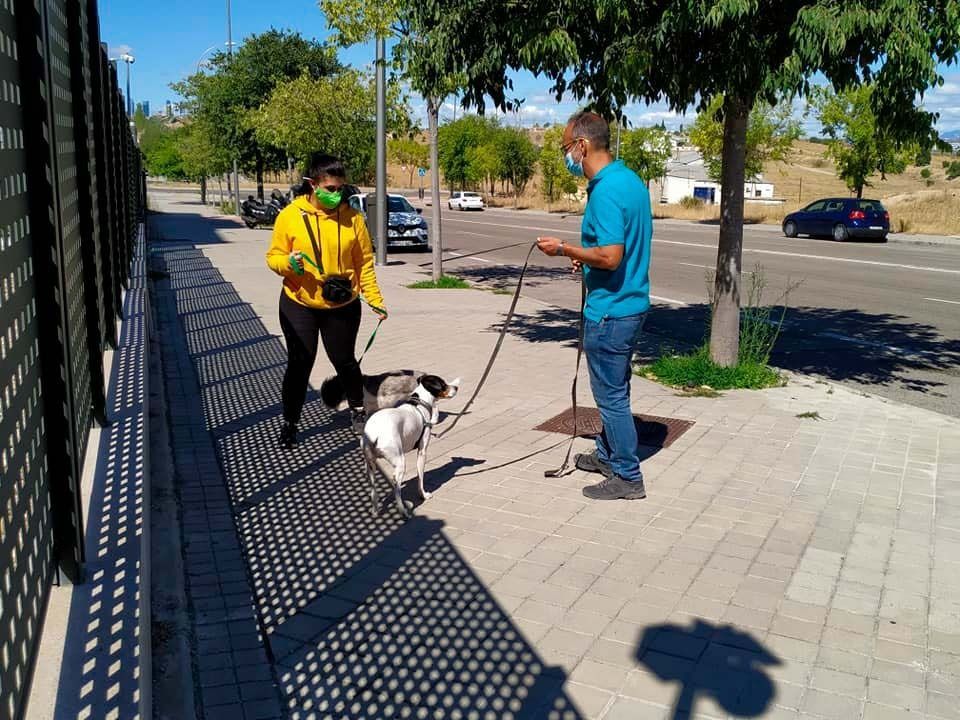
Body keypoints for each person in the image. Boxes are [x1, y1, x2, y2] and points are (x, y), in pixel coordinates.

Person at [536, 111, 652, 500]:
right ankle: (607, 454)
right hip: (631, 304)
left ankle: (627, 476)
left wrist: (565, 249)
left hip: (610, 312)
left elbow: (611, 256)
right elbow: (614, 248)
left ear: (582, 145)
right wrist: (584, 258)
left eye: (566, 147)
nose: (566, 155)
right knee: (616, 388)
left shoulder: (605, 191)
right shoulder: (629, 180)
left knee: (610, 397)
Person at [266, 153, 387, 448]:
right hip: (299, 303)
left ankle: (358, 411)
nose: (337, 194)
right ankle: (290, 422)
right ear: (313, 184)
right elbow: (274, 257)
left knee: (345, 361)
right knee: (300, 364)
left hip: (342, 304)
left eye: (340, 188)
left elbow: (364, 263)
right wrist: (288, 264)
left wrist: (375, 299)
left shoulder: (353, 219)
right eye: (330, 188)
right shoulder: (290, 216)